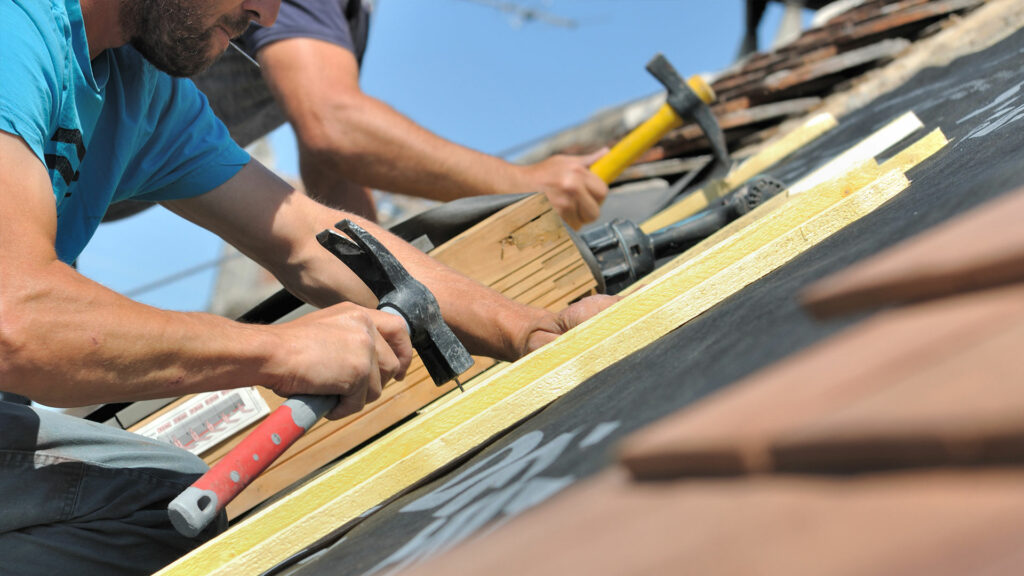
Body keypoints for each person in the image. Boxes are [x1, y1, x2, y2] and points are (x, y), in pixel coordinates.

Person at [0, 0, 616, 574]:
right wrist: (282, 352)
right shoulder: (16, 29)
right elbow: (17, 320)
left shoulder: (144, 94)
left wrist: (528, 328)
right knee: (158, 504)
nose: (266, 13)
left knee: (167, 508)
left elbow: (307, 238)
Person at [104, 0, 610, 229]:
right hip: (49, 145)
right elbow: (336, 126)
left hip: (87, 186)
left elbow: (333, 169)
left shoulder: (348, 18)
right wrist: (523, 185)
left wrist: (390, 284)